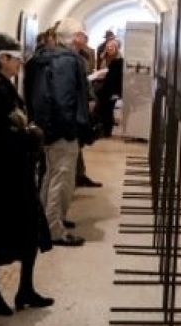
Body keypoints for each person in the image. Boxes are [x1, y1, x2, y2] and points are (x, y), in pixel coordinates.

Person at [0, 32, 54, 315]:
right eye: (15, 58)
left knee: (29, 229)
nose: (20, 63)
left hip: (14, 171)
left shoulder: (2, 86)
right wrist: (29, 138)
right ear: (1, 58)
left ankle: (25, 289)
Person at [25, 17, 93, 246]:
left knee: (51, 175)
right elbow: (64, 99)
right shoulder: (67, 61)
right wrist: (70, 129)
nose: (85, 37)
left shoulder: (44, 57)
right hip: (61, 130)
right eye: (83, 33)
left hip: (47, 127)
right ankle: (54, 229)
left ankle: (46, 221)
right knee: (60, 178)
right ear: (75, 37)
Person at [70, 25, 103, 189]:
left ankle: (79, 174)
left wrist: (90, 97)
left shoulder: (84, 55)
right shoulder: (71, 58)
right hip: (73, 107)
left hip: (81, 103)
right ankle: (77, 176)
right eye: (83, 35)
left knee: (78, 143)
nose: (86, 38)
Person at [92, 37, 123, 137]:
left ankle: (107, 131)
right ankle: (102, 130)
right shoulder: (103, 58)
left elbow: (119, 78)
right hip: (102, 88)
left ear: (116, 48)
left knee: (108, 110)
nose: (109, 49)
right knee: (101, 109)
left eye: (112, 47)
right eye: (108, 47)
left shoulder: (119, 61)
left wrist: (117, 92)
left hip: (112, 89)